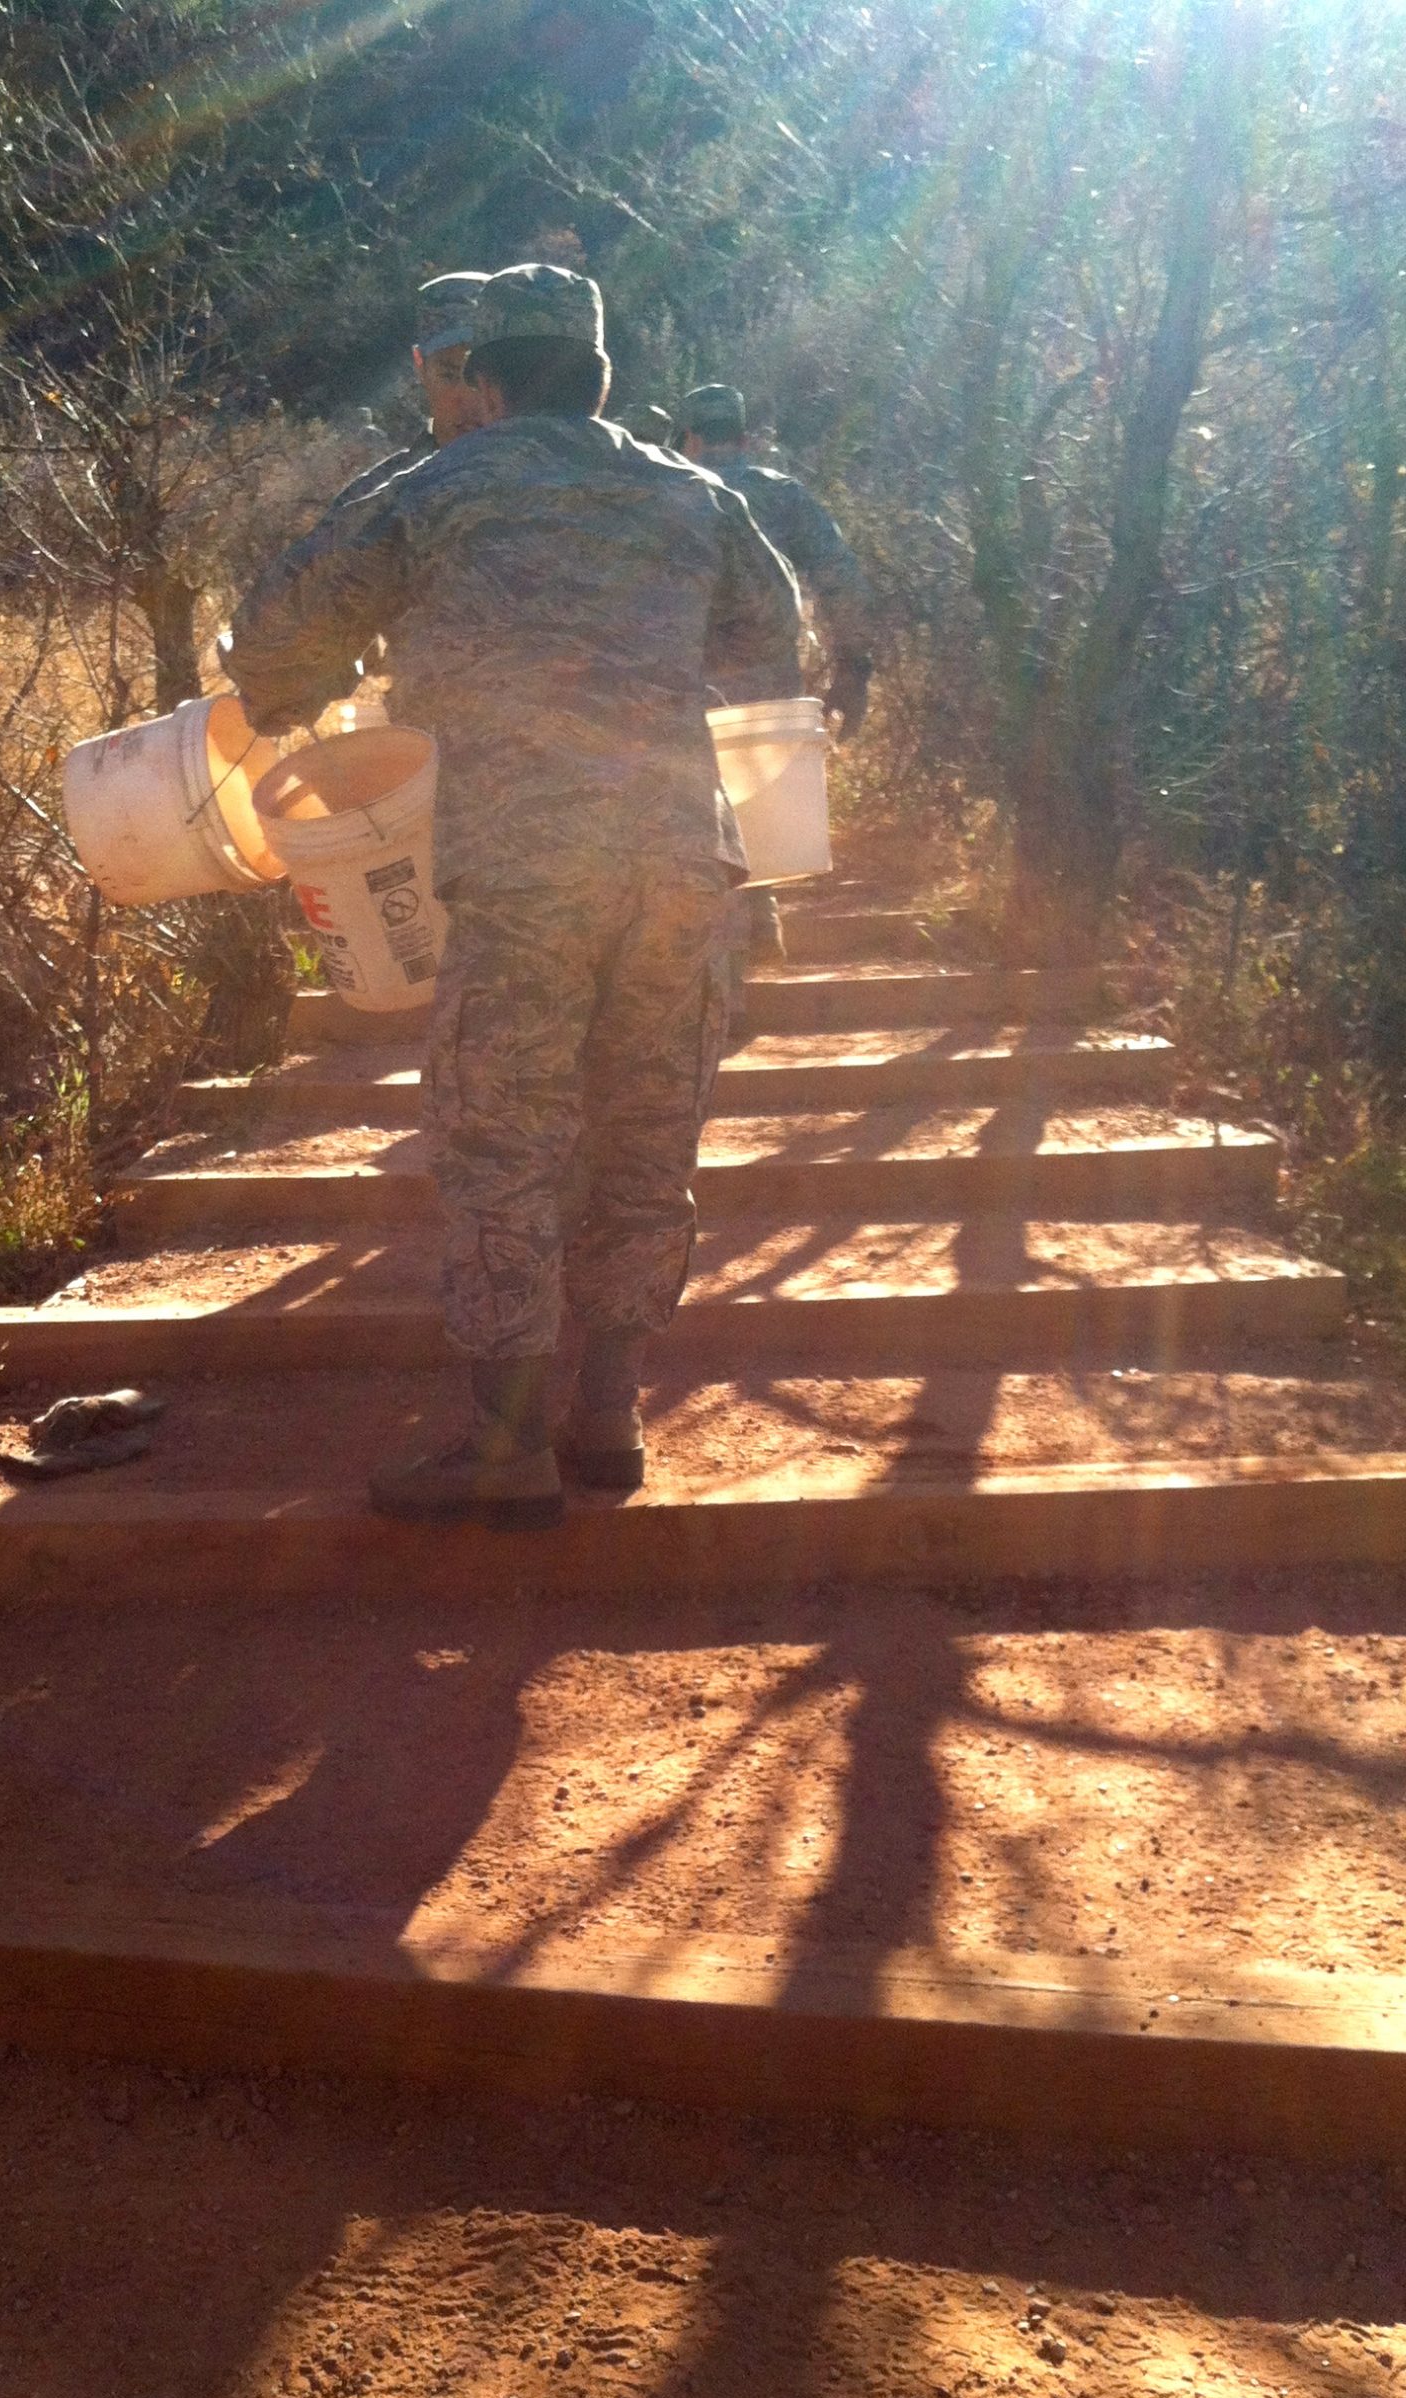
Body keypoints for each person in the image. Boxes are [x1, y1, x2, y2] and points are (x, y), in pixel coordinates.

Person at [223, 265, 800, 1527]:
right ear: (600, 380)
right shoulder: (693, 491)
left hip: (525, 869)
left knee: (504, 1139)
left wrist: (304, 688)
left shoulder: (433, 487)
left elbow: (273, 635)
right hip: (679, 867)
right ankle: (608, 1417)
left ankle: (504, 1445)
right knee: (647, 1135)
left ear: (485, 380)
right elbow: (773, 645)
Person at [676, 381, 878, 965]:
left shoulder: (673, 490)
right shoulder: (784, 496)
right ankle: (759, 929)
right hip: (768, 689)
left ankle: (721, 956)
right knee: (757, 809)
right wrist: (853, 671)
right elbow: (843, 581)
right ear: (744, 438)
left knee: (695, 824)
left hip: (685, 684)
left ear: (688, 438)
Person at [326, 271, 490, 513]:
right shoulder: (365, 506)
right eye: (449, 376)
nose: (468, 398)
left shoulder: (550, 487)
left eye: (482, 379)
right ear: (420, 367)